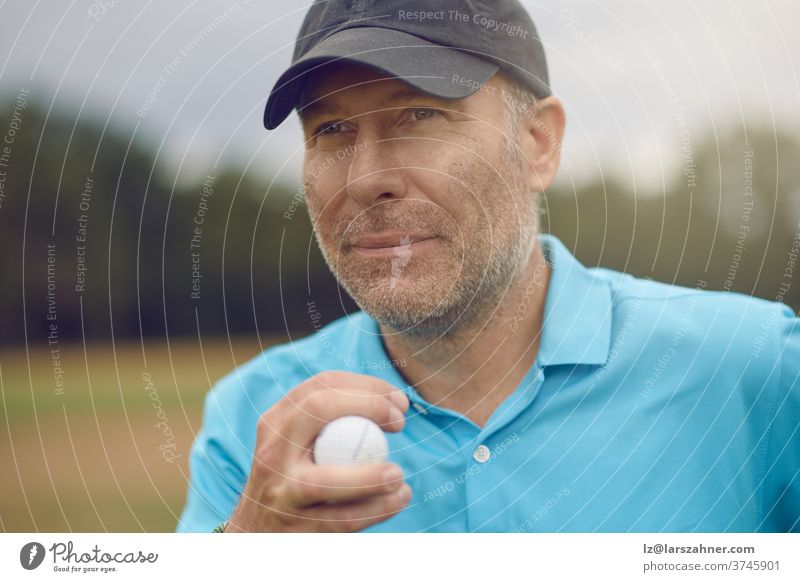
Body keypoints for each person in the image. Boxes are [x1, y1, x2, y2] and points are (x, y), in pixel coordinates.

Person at [176, 0, 799, 533]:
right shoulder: (254, 421)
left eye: (419, 115)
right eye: (332, 129)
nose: (365, 179)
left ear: (538, 144)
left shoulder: (756, 367)